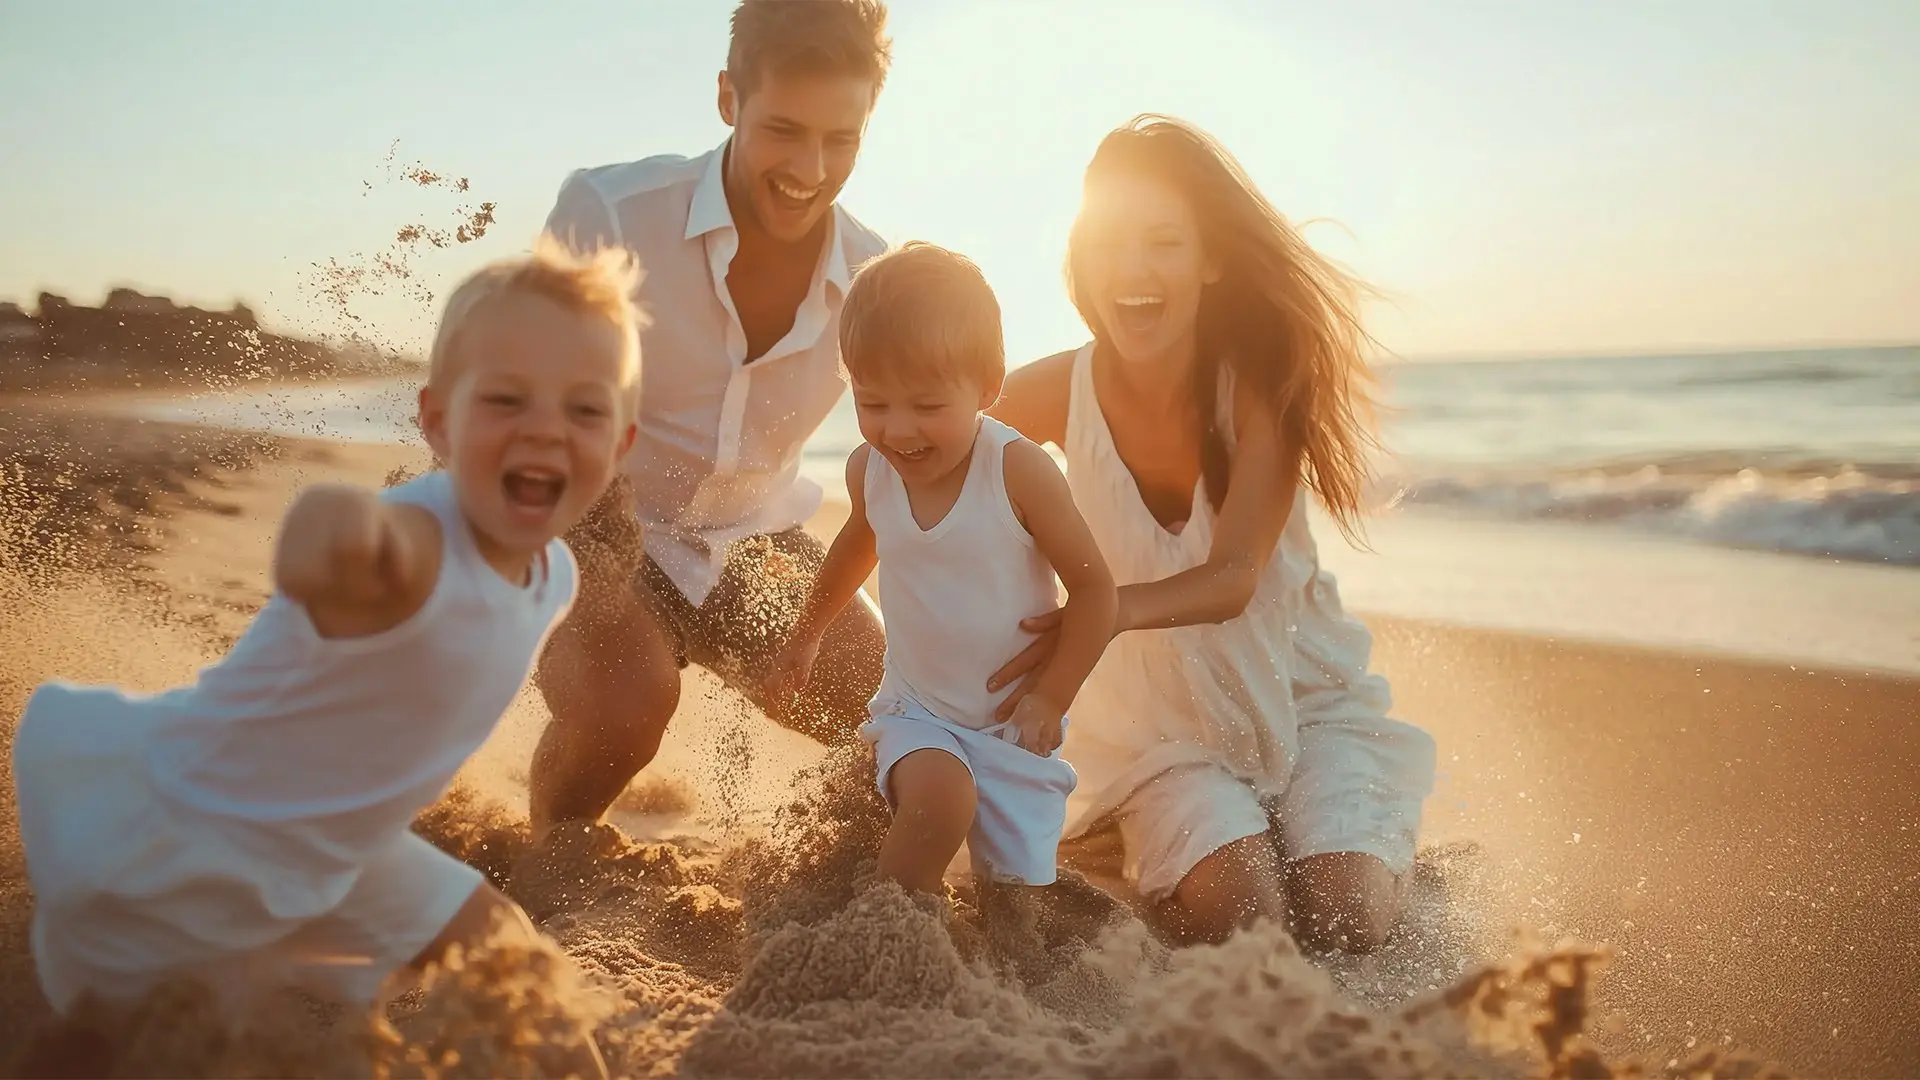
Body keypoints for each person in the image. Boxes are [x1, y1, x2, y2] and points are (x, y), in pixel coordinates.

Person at [10, 240, 642, 1071]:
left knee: (506, 954)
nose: (546, 430)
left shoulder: (553, 571)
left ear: (624, 445)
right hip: (205, 843)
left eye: (584, 411)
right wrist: (333, 536)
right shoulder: (414, 541)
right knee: (163, 1038)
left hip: (341, 848)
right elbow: (346, 540)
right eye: (507, 399)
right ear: (436, 422)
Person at [989, 115, 1438, 953]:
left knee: (1344, 925)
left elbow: (1233, 578)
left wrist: (1100, 607)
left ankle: (1392, 858)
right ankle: (1157, 842)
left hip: (1310, 707)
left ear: (1211, 260)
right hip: (1160, 733)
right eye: (1111, 240)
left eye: (1163, 241)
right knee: (1249, 929)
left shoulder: (1260, 391)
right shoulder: (1051, 392)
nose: (1133, 269)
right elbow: (933, 465)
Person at [530, 0, 895, 840]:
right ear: (729, 98)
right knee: (629, 706)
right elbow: (520, 394)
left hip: (751, 542)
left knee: (895, 722)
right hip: (595, 522)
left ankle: (845, 883)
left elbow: (938, 436)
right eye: (784, 129)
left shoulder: (873, 277)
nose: (811, 168)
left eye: (842, 140)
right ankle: (554, 842)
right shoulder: (614, 215)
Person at [764, 243, 1117, 895]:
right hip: (917, 708)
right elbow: (853, 549)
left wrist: (1052, 695)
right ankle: (890, 933)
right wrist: (805, 636)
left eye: (926, 407)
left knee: (1016, 900)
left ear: (986, 388)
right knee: (940, 803)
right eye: (874, 405)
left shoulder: (1018, 472)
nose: (899, 431)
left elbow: (1096, 591)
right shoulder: (871, 471)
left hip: (1015, 728)